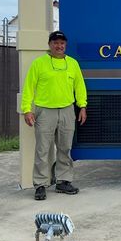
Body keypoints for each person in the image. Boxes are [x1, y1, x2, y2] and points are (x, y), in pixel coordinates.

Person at [21, 30, 87, 200]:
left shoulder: (72, 64)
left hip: (67, 109)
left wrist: (82, 106)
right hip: (44, 111)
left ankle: (63, 181)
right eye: (56, 43)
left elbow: (79, 86)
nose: (59, 46)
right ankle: (40, 184)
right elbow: (29, 87)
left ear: (65, 45)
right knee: (43, 149)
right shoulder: (39, 63)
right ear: (49, 45)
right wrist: (27, 109)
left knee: (65, 147)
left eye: (62, 43)